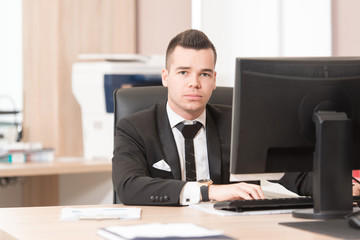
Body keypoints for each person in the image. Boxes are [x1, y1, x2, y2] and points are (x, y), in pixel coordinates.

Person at [112, 29, 360, 205]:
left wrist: (339, 185)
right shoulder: (134, 127)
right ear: (165, 77)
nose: (195, 83)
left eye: (204, 74)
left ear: (215, 80)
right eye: (184, 72)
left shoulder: (239, 123)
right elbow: (128, 186)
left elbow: (295, 173)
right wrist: (210, 192)